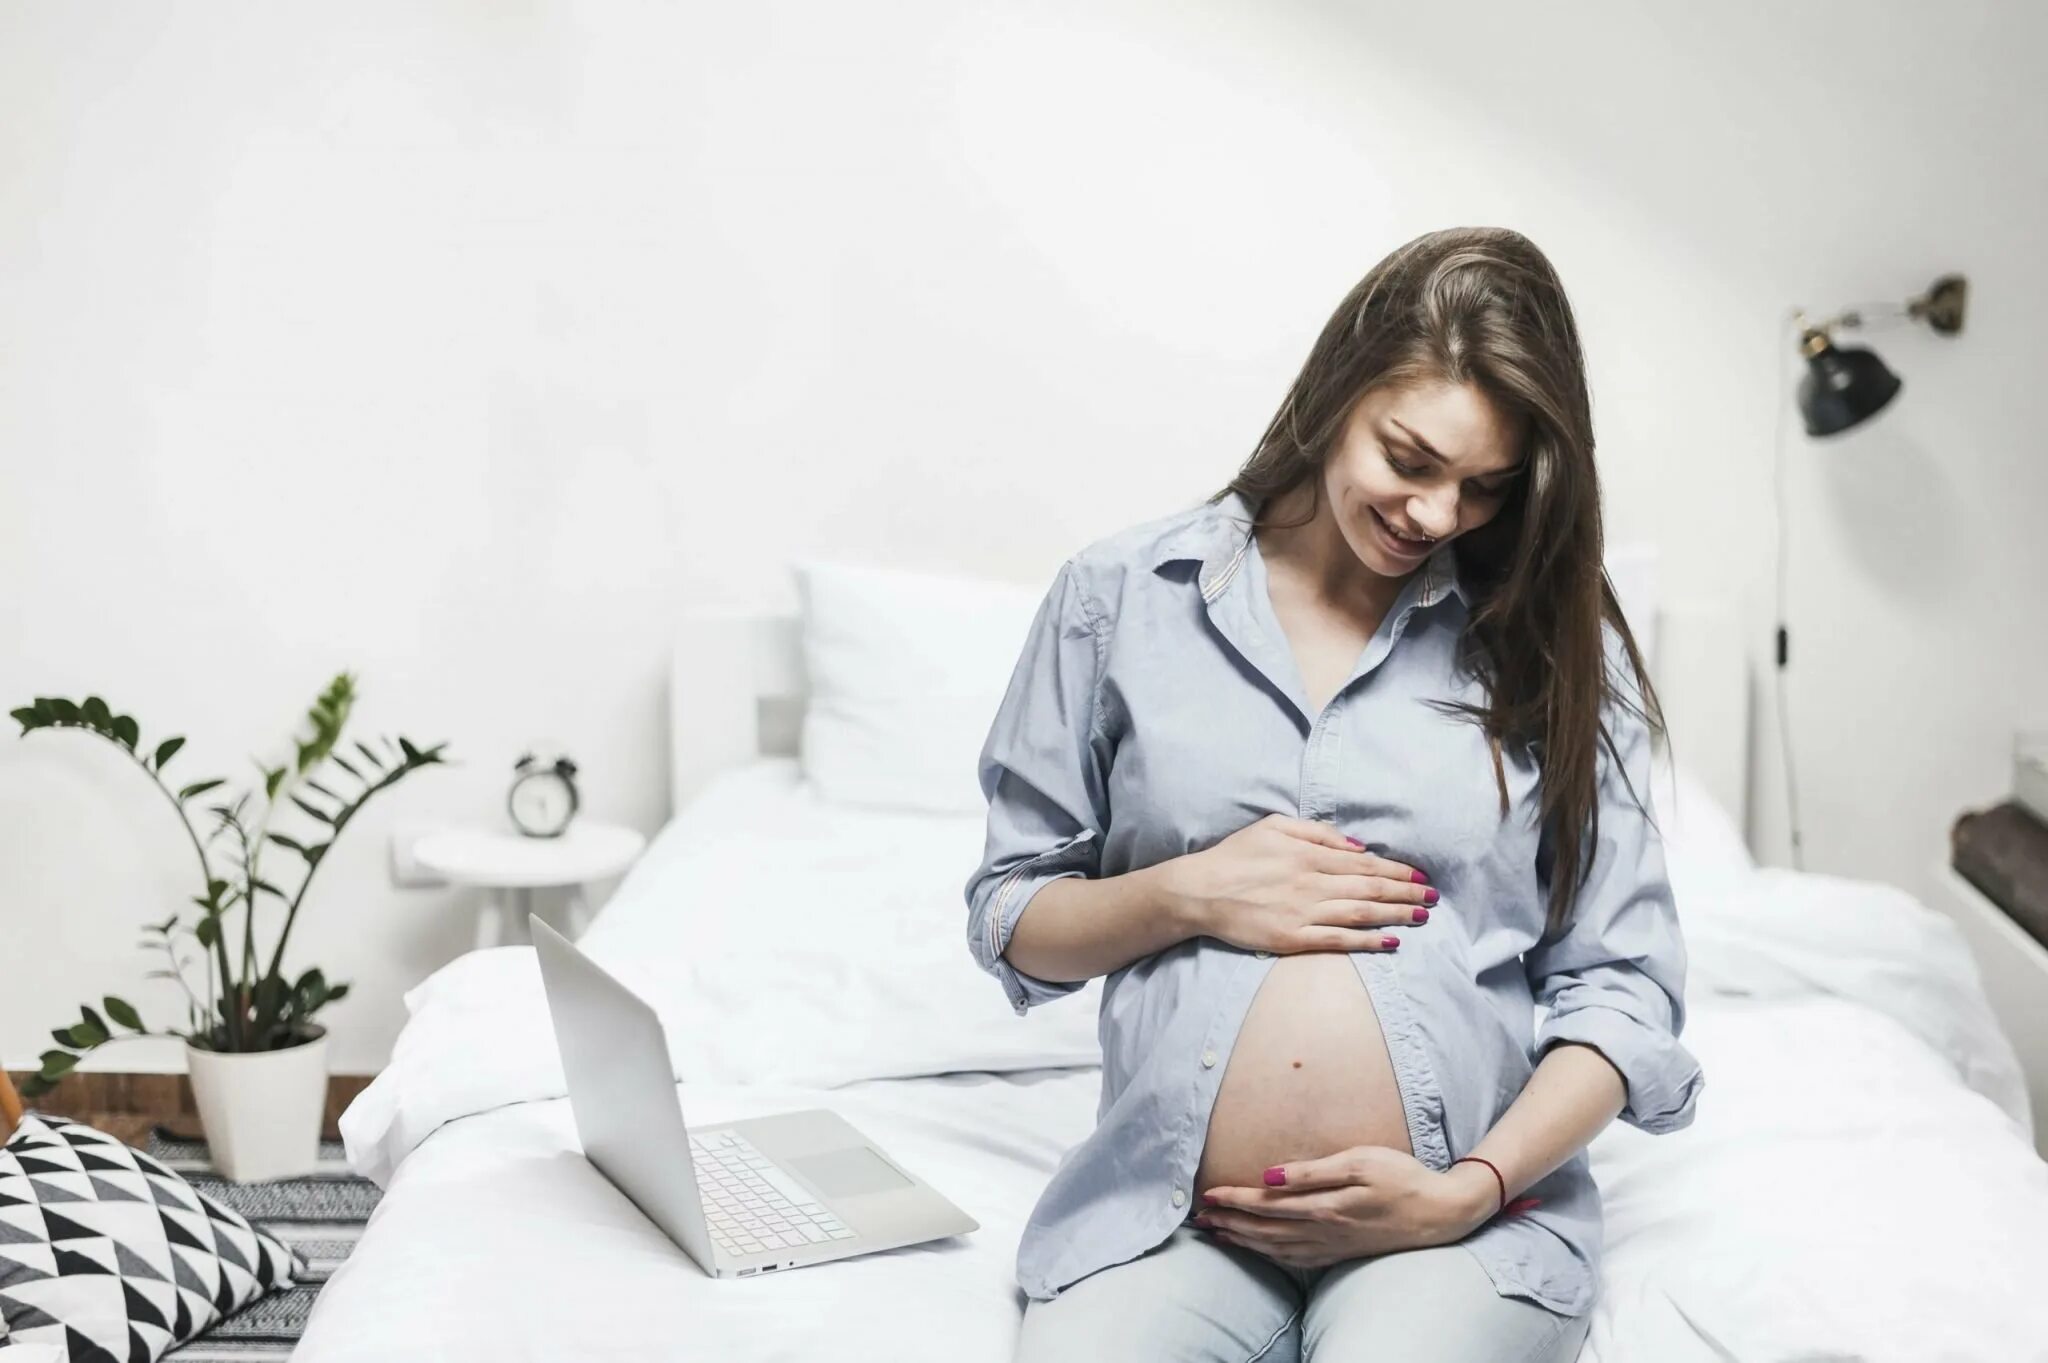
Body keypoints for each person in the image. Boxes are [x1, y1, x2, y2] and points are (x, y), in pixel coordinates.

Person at [963, 226, 1704, 1362]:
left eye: (1483, 488)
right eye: (1407, 459)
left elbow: (1619, 987)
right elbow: (1015, 920)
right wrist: (1189, 892)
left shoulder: (1551, 646)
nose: (1436, 515)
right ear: (1334, 393)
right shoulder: (1120, 599)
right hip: (1173, 1222)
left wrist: (1469, 1189)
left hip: (1453, 1231)